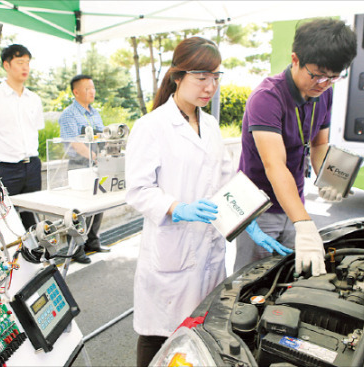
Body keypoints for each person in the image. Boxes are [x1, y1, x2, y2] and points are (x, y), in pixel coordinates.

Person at [125, 37, 291, 367]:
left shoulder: (211, 125)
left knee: (200, 335)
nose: (210, 86)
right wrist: (177, 207)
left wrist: (250, 222)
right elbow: (138, 191)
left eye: (216, 77)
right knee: (158, 334)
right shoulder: (151, 126)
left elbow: (227, 181)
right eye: (201, 77)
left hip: (209, 252)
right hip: (172, 252)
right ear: (177, 76)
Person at [234, 18, 357, 277]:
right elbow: (274, 164)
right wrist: (305, 225)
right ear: (295, 59)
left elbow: (319, 144)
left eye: (334, 77)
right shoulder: (267, 98)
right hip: (259, 208)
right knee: (251, 284)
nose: (324, 83)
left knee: (292, 277)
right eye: (318, 75)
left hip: (293, 203)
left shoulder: (324, 93)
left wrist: (330, 179)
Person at [0, 44, 44, 231]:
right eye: (20, 62)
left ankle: (35, 257)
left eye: (27, 63)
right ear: (6, 65)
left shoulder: (33, 99)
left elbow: (35, 131)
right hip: (6, 169)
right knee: (6, 219)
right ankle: (13, 260)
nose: (25, 67)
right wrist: (2, 152)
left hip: (33, 166)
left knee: (33, 217)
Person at [58, 74, 110, 264]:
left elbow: (101, 137)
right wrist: (96, 157)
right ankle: (76, 249)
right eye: (88, 88)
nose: (92, 92)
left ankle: (93, 242)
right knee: (79, 210)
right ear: (76, 92)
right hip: (79, 165)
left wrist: (104, 156)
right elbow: (74, 144)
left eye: (93, 88)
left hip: (97, 163)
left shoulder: (95, 113)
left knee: (99, 205)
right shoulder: (69, 115)